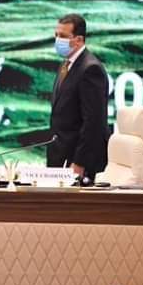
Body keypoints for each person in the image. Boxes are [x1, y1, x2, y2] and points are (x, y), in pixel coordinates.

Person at [47, 13, 109, 181]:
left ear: (79, 40)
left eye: (63, 36)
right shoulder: (66, 64)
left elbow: (93, 122)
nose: (57, 40)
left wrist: (80, 162)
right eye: (56, 35)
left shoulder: (90, 69)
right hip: (60, 155)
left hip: (78, 161)